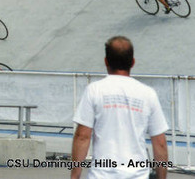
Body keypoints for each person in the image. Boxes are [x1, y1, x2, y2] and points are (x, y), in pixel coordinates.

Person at [71, 36, 169, 179]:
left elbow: (82, 137)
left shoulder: (94, 90)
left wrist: (75, 175)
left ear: (106, 61)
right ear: (133, 62)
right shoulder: (148, 94)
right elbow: (159, 143)